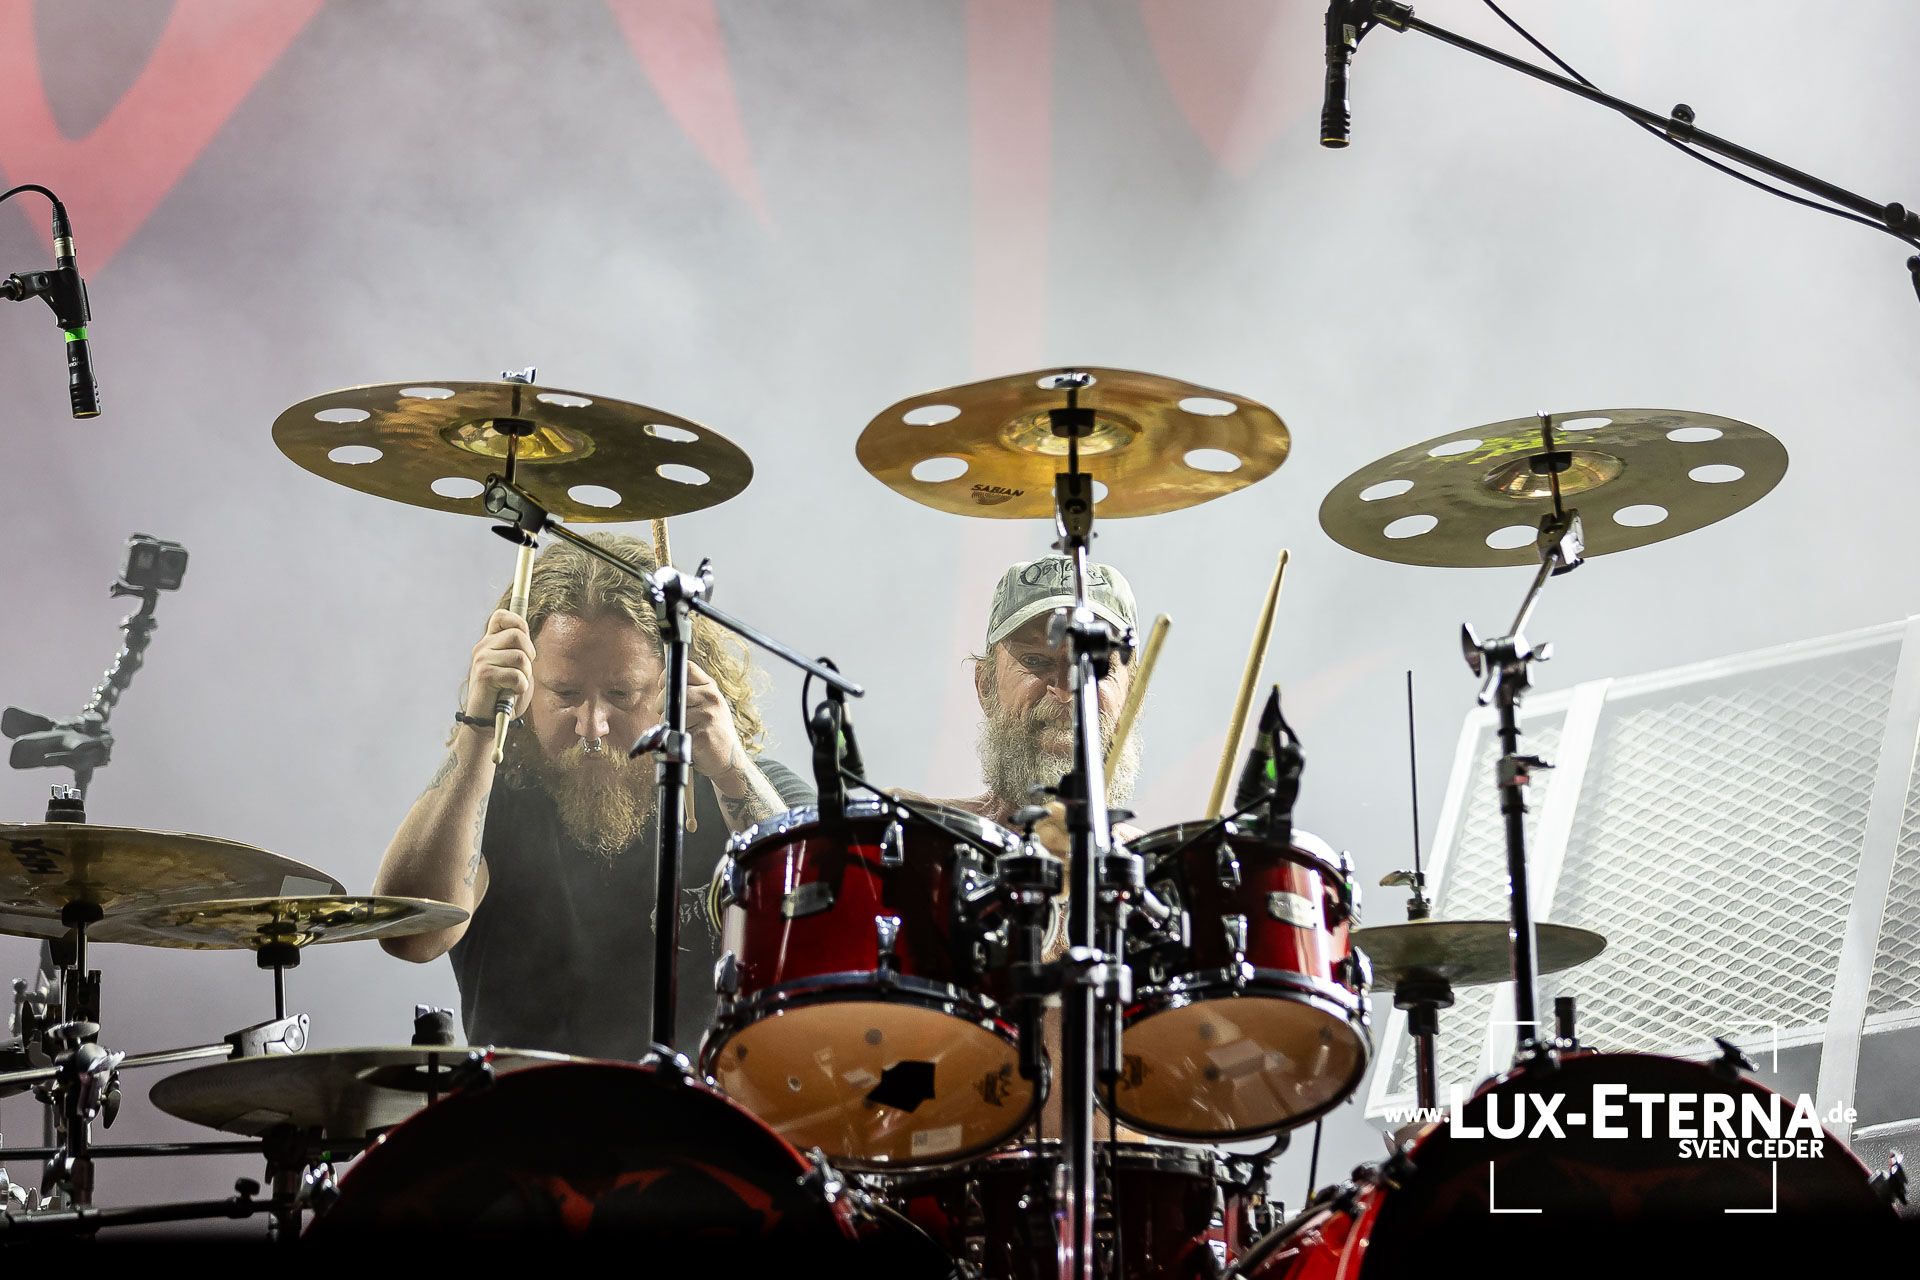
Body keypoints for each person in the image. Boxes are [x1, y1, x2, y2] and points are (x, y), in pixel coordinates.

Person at [373, 532, 812, 1059]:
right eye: (565, 694)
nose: (592, 726)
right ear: (525, 686)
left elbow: (819, 923)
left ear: (677, 684)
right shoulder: (489, 795)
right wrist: (480, 727)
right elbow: (410, 935)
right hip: (522, 1107)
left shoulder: (740, 787)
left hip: (701, 1109)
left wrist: (731, 767)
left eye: (621, 694)